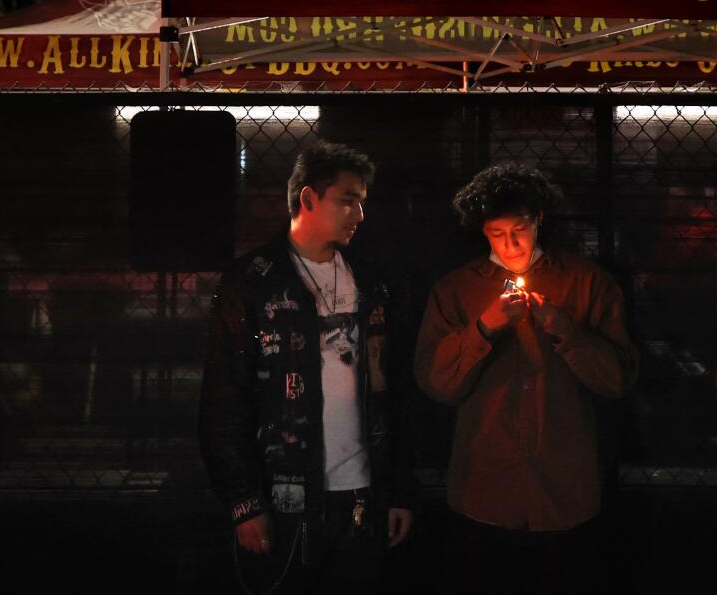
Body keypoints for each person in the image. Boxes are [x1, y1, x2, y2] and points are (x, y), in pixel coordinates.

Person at [200, 142, 414, 593]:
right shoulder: (253, 281)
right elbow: (224, 397)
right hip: (284, 499)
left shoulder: (371, 280)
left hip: (362, 495)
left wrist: (397, 490)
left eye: (362, 202)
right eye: (348, 199)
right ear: (308, 198)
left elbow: (392, 393)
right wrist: (244, 501)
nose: (359, 214)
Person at [415, 162, 638, 592]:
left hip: (566, 494)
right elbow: (437, 383)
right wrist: (484, 327)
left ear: (538, 219)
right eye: (497, 234)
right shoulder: (455, 291)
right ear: (482, 231)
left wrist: (564, 330)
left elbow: (617, 380)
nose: (510, 243)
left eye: (518, 229)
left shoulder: (588, 283)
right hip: (485, 493)